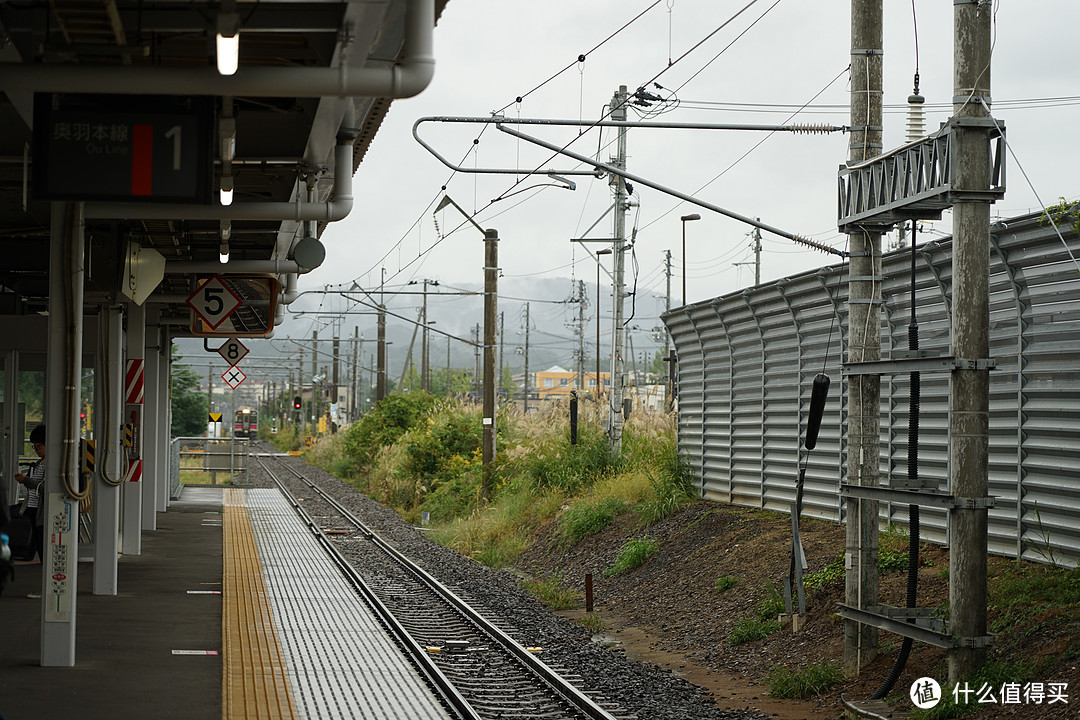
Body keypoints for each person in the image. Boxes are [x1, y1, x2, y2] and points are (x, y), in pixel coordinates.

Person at [13, 425, 46, 567]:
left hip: (41, 510)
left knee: (43, 544)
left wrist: (26, 481)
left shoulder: (52, 465)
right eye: (34, 447)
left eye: (38, 447)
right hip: (33, 507)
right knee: (38, 544)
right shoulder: (39, 463)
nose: (36, 451)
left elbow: (46, 488)